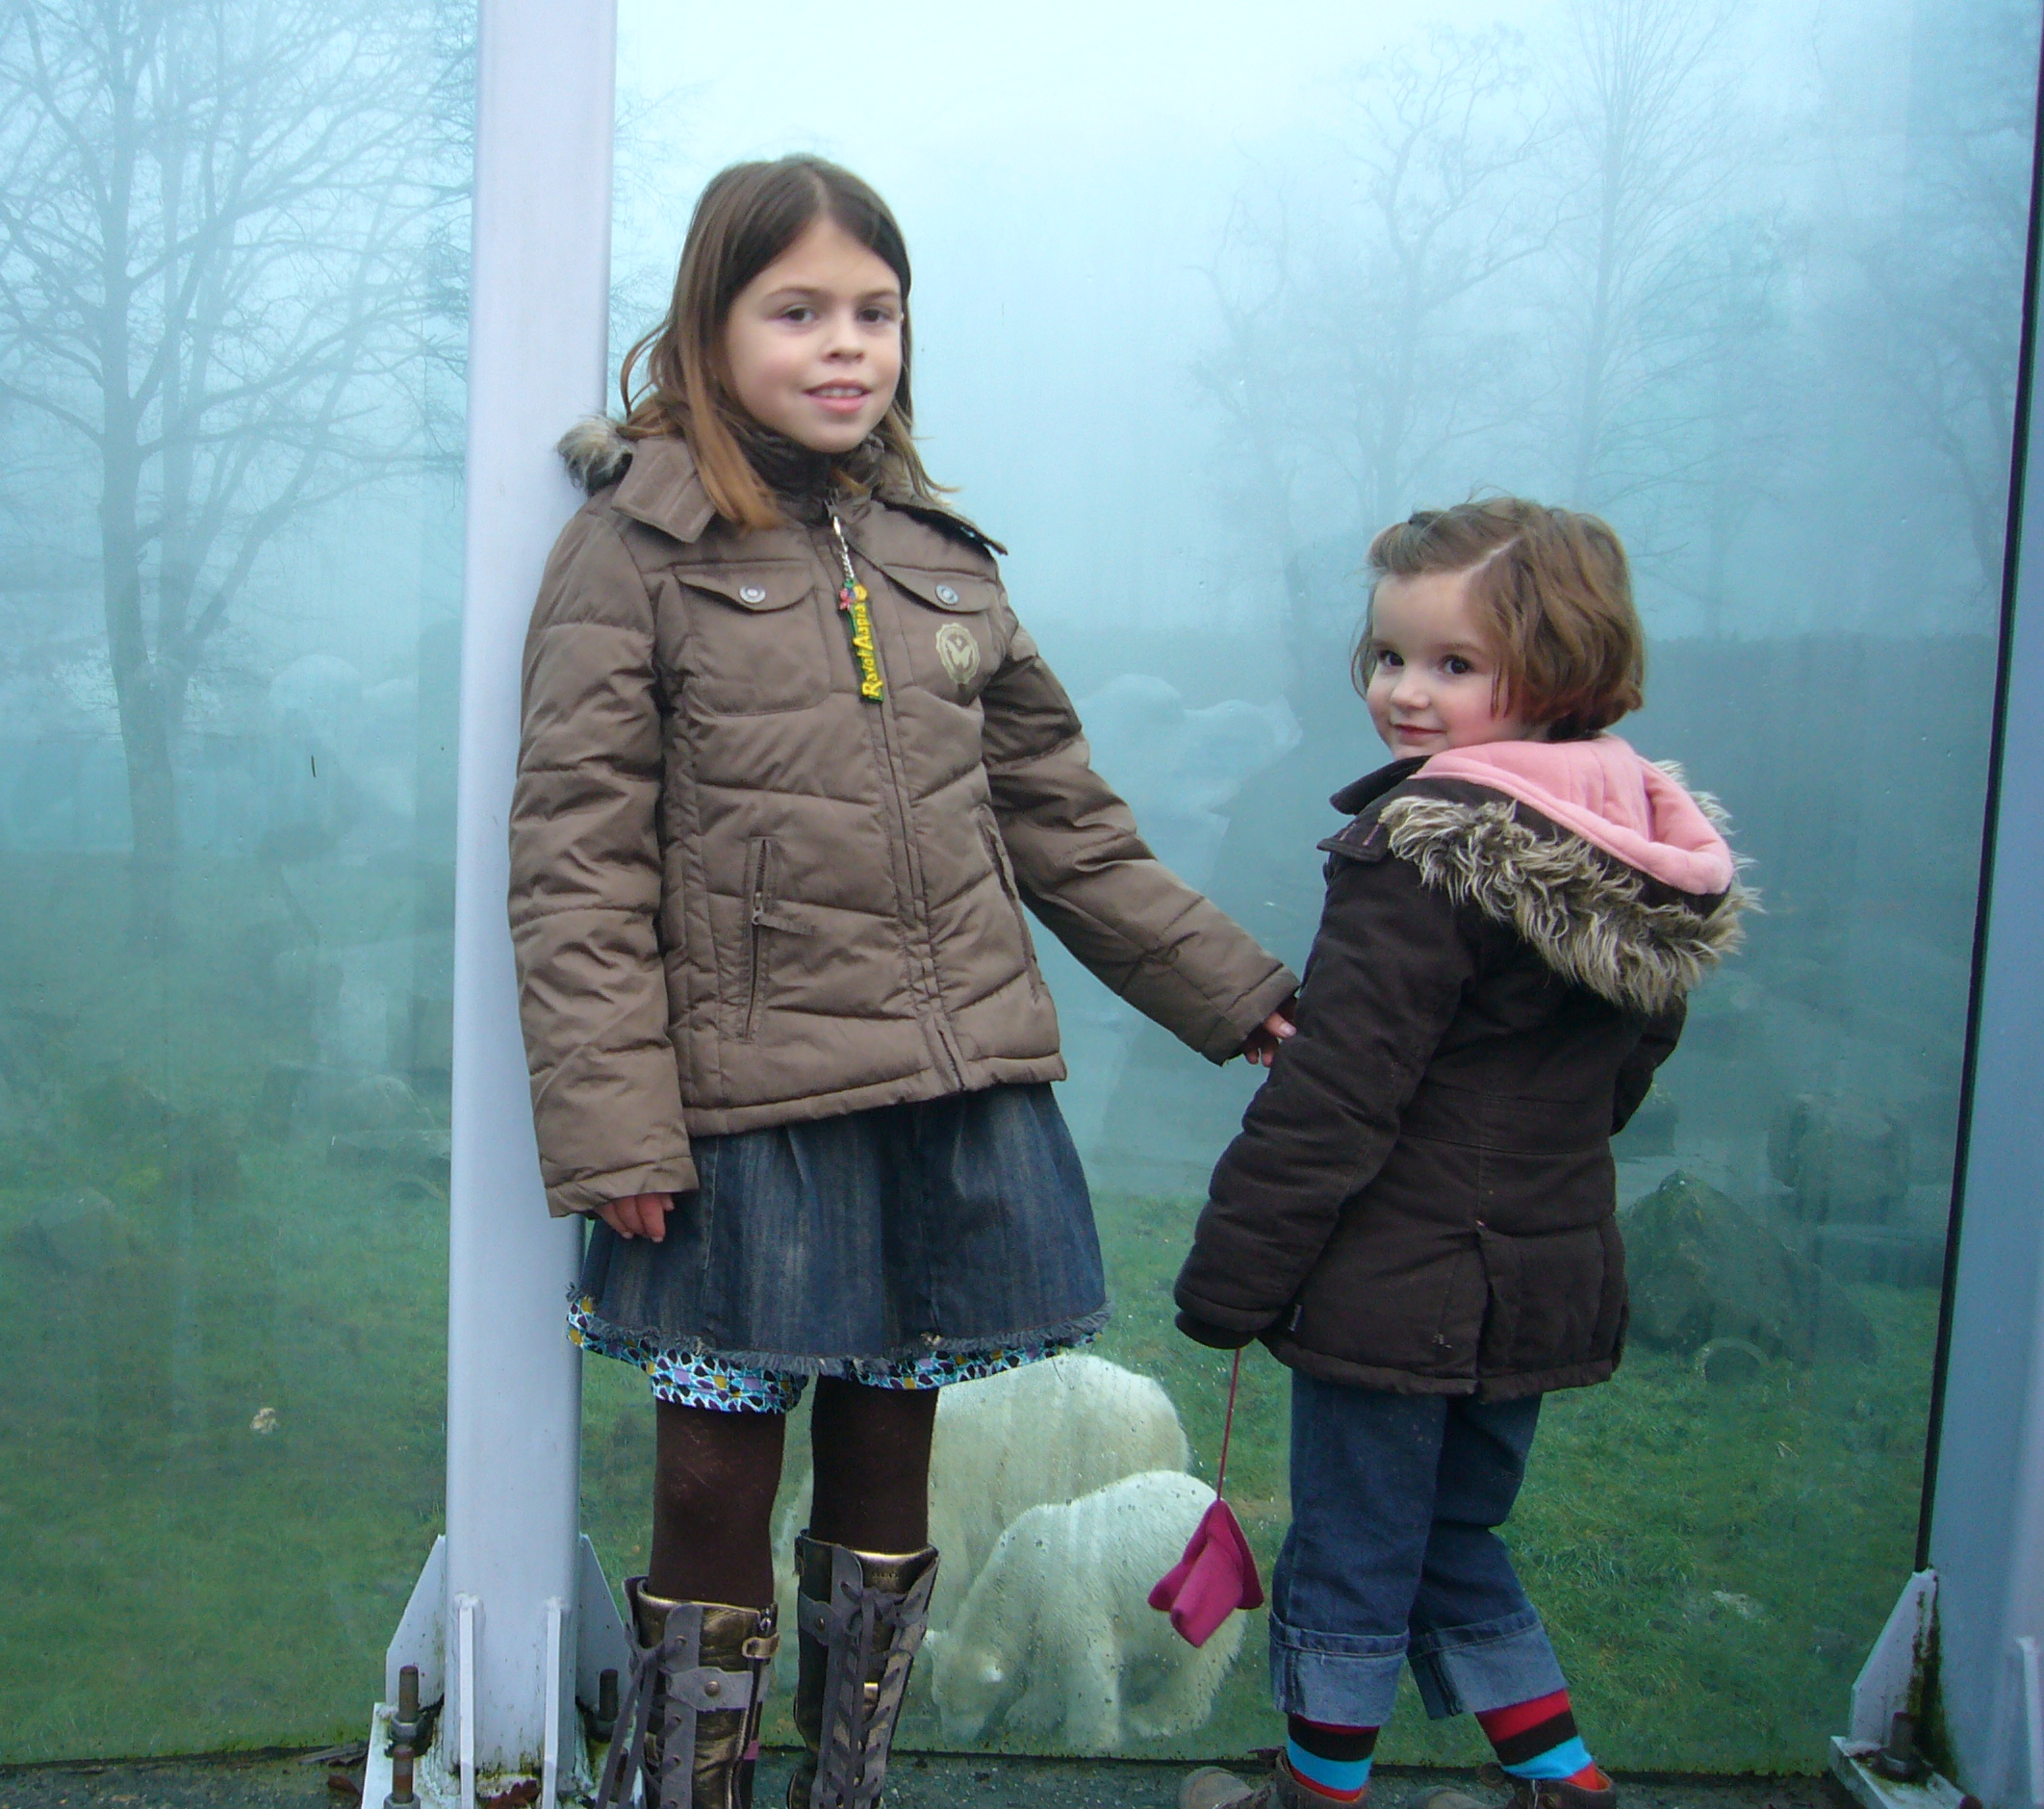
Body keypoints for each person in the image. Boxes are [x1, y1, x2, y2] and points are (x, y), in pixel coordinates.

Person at [509, 156, 1297, 1809]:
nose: (845, 344)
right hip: (739, 1122)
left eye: (875, 311)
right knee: (712, 1477)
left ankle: (846, 1784)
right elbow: (578, 861)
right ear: (710, 326)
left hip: (941, 1109)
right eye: (798, 309)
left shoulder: (944, 558)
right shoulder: (632, 550)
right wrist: (614, 1131)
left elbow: (1065, 823)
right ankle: (694, 1789)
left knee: (890, 1461)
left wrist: (1237, 993)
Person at [1170, 500, 1749, 1809]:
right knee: (1452, 1531)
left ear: (1560, 666)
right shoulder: (1633, 844)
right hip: (1544, 1268)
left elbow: (1337, 1093)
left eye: (1453, 664)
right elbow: (1630, 1063)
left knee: (1354, 1542)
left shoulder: (1422, 852)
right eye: (1388, 656)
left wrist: (1233, 1279)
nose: (1405, 693)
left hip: (1399, 1276)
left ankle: (1318, 1788)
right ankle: (1563, 1778)